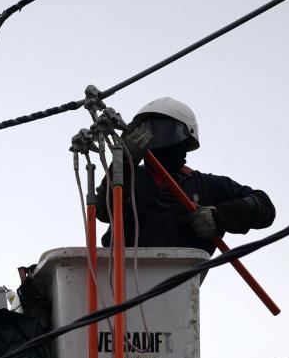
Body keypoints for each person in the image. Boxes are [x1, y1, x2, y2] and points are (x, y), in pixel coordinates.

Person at [96, 97, 275, 255]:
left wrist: (219, 217)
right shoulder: (129, 178)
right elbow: (104, 210)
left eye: (164, 132)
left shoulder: (207, 185)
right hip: (123, 274)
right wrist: (125, 163)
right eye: (148, 131)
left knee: (185, 214)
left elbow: (264, 206)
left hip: (180, 281)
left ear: (185, 138)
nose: (154, 139)